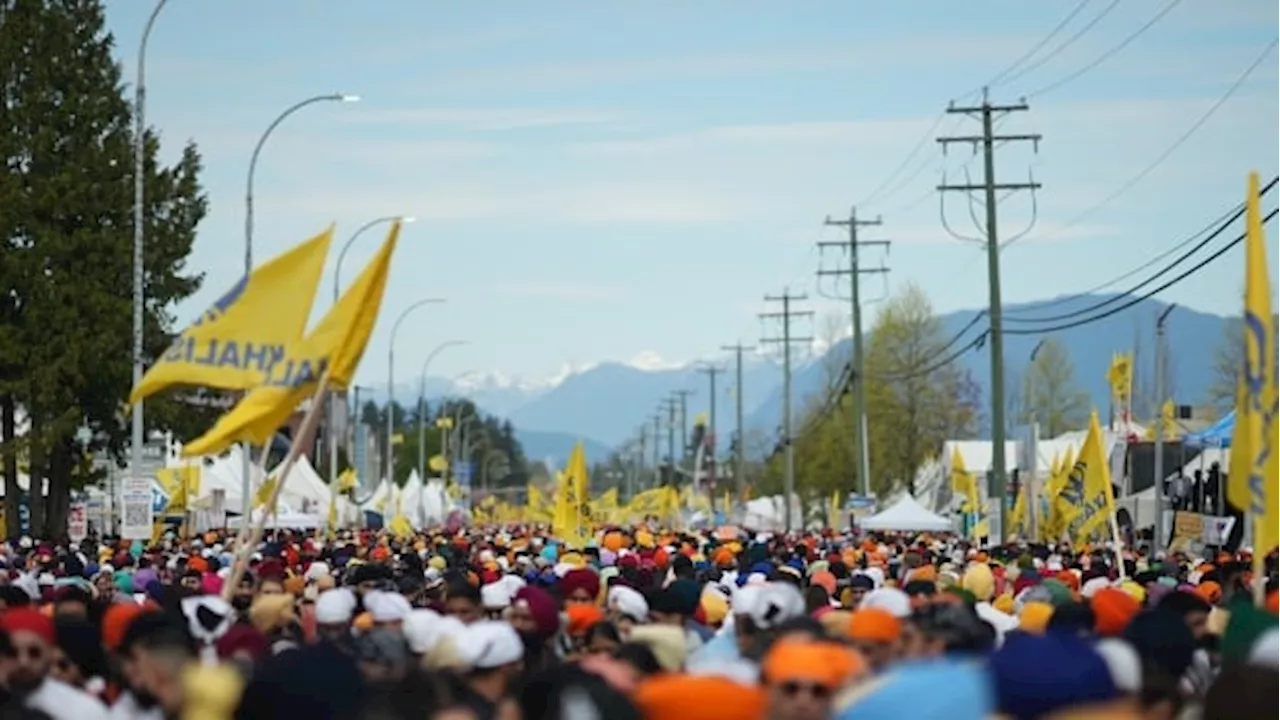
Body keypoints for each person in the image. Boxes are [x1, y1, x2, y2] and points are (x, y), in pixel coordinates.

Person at [0, 609, 109, 720]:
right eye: (12, 653)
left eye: (34, 653)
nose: (23, 662)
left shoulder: (83, 711)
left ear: (51, 653)